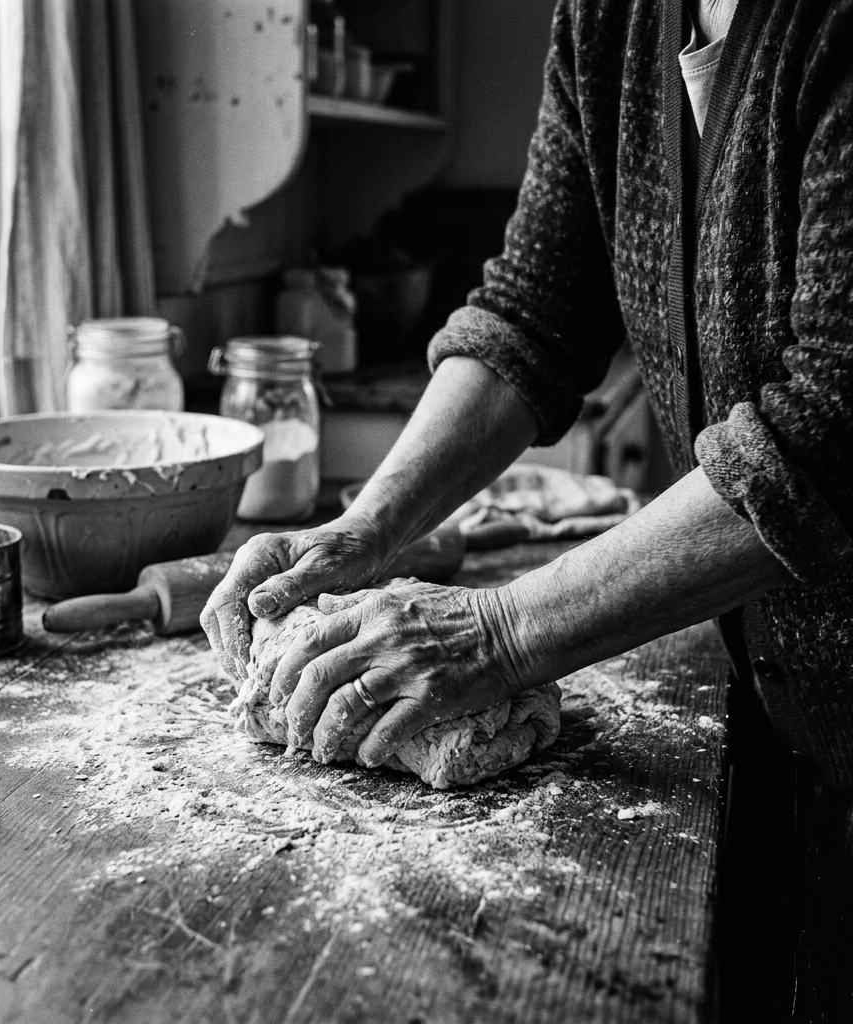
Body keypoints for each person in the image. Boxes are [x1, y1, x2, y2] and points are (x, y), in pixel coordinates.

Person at [202, 0, 852, 1017]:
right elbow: (536, 306)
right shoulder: (610, 18)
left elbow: (830, 433)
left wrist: (499, 630)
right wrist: (364, 528)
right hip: (778, 720)